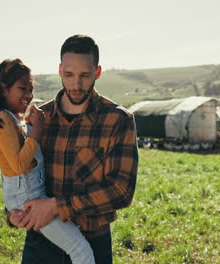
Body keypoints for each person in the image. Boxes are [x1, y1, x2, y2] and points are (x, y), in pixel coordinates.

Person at [14, 35, 139, 264]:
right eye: (70, 75)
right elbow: (20, 173)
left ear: (98, 72)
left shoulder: (117, 120)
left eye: (85, 75)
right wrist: (13, 211)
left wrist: (55, 206)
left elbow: (121, 190)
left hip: (92, 240)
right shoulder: (39, 118)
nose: (76, 85)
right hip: (41, 242)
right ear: (60, 70)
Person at [0, 58, 95, 264]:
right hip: (30, 197)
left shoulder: (12, 118)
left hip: (29, 196)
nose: (29, 95)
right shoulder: (2, 119)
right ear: (3, 88)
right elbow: (19, 166)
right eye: (22, 89)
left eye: (30, 89)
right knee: (81, 251)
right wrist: (37, 129)